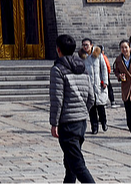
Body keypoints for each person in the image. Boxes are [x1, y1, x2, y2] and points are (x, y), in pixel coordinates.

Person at [49, 34, 96, 184]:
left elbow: (57, 99)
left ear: (58, 50)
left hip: (68, 124)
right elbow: (91, 98)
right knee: (70, 163)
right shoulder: (82, 68)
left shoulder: (58, 69)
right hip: (81, 122)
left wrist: (54, 123)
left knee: (77, 165)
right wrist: (82, 111)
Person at [80, 38, 109, 134]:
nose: (85, 47)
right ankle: (94, 127)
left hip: (98, 84)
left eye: (87, 45)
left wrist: (105, 81)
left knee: (101, 107)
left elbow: (104, 69)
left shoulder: (98, 55)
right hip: (88, 86)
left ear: (91, 45)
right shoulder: (82, 57)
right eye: (83, 45)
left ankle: (104, 122)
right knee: (91, 109)